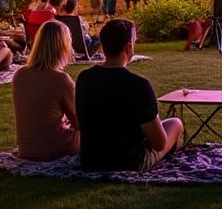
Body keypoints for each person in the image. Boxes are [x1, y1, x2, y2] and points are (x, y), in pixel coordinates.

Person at [76, 19, 184, 171]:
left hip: (90, 160)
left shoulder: (84, 78)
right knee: (175, 124)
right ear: (128, 47)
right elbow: (159, 144)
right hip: (128, 162)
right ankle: (168, 166)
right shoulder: (139, 85)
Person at [13, 20, 80, 160]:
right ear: (63, 45)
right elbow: (80, 123)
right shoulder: (60, 79)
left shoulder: (20, 74)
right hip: (54, 149)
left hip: (27, 149)